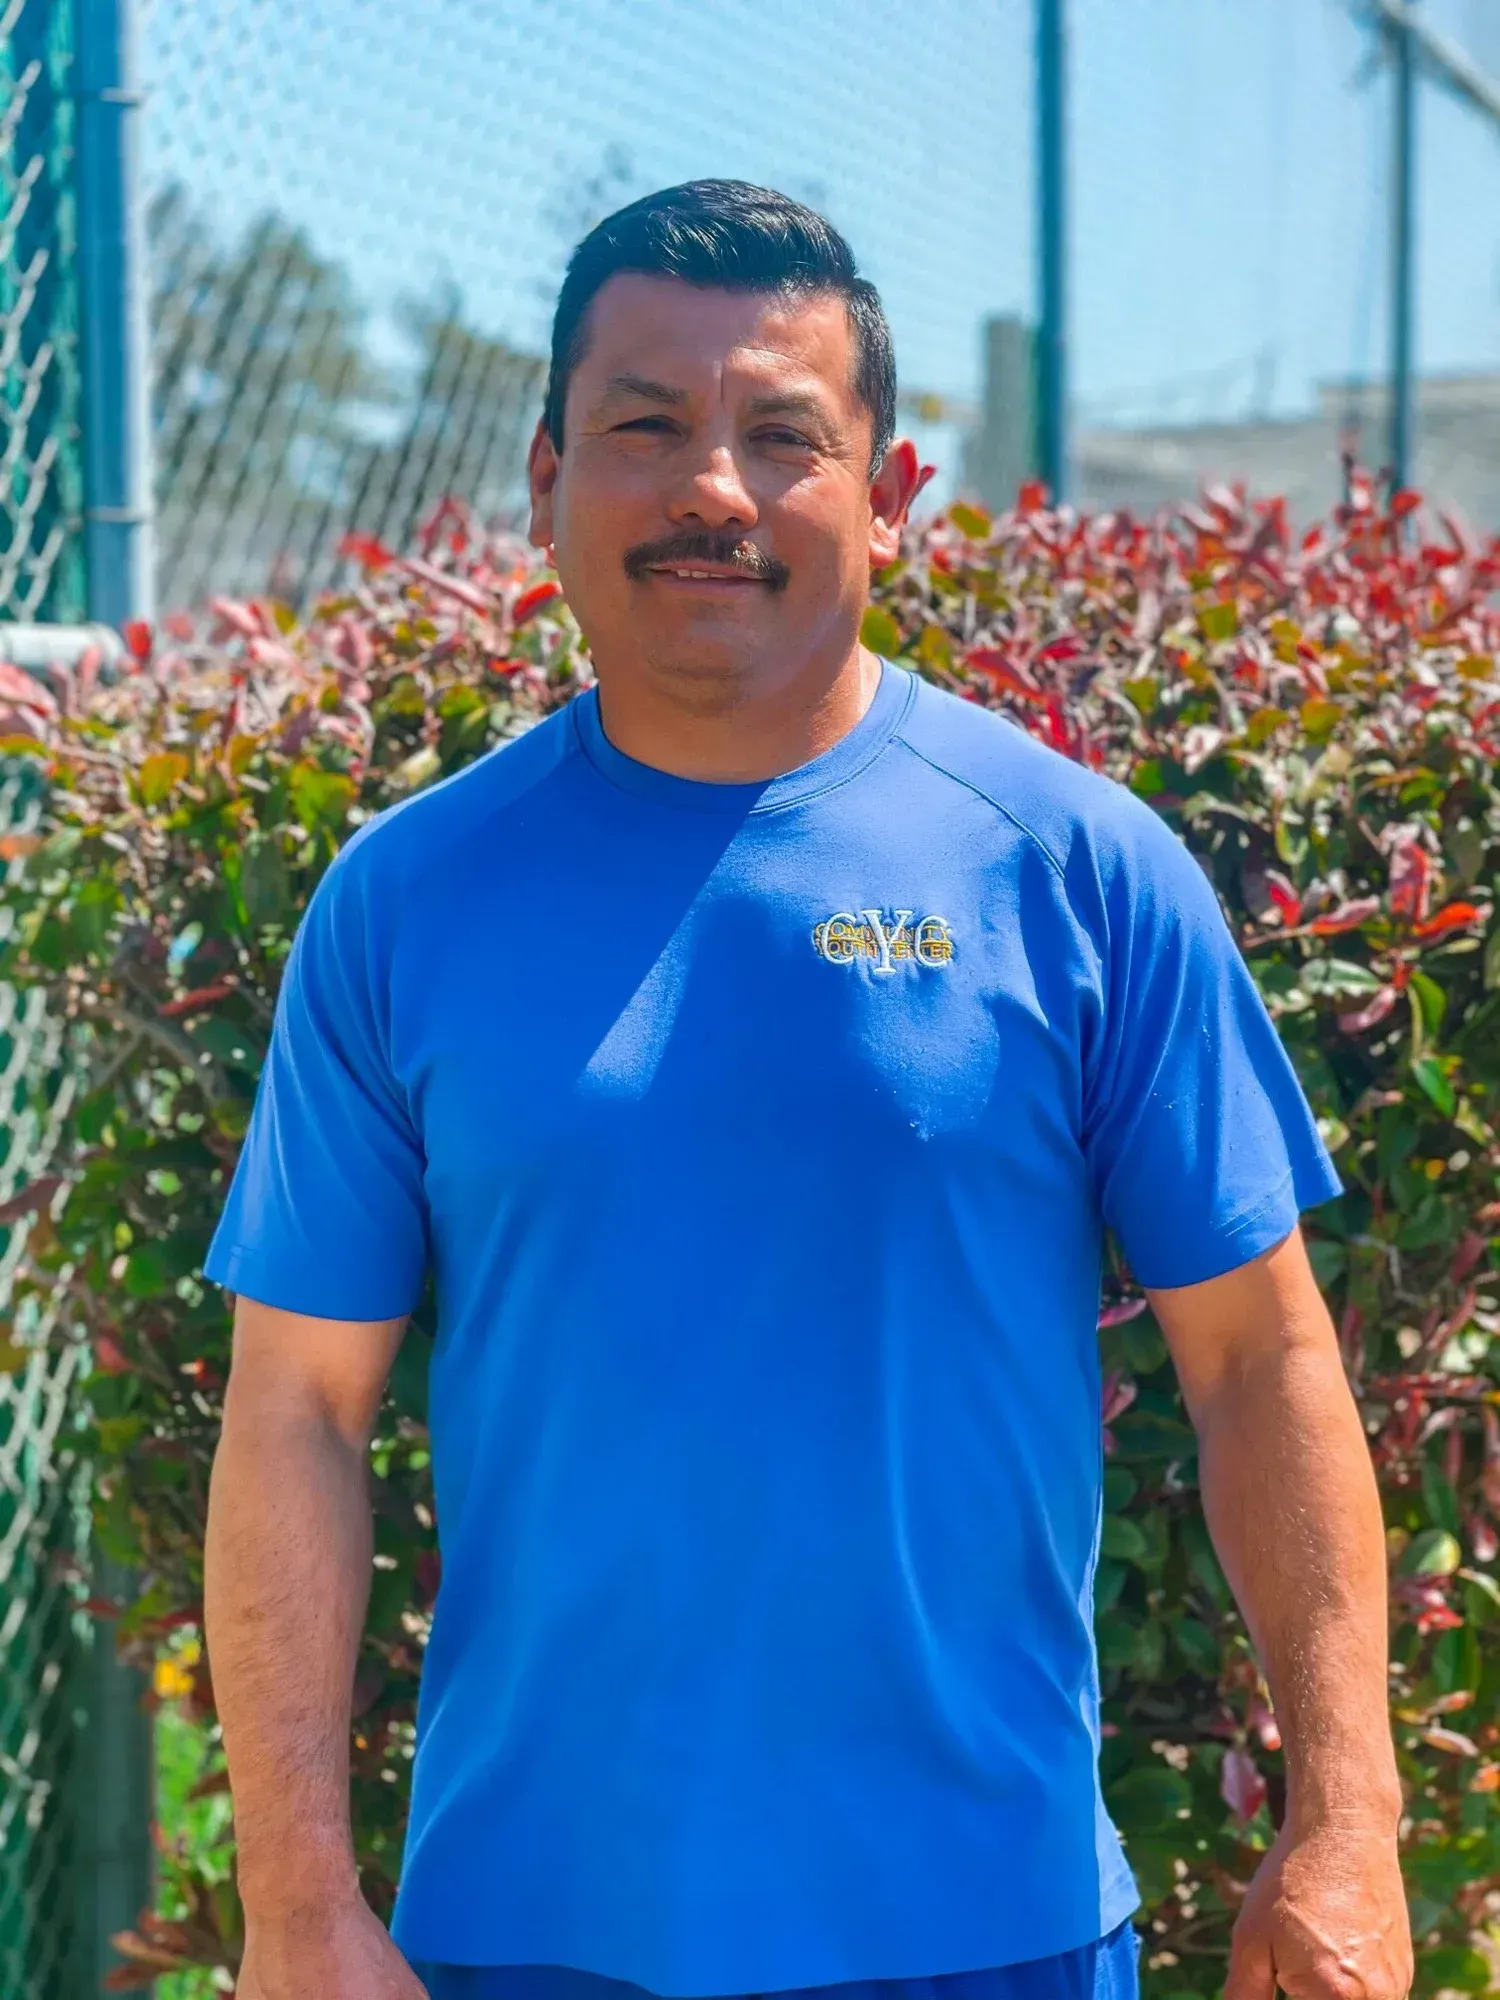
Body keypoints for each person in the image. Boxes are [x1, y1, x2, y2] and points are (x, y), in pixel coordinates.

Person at [203, 181, 1412, 2000]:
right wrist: (297, 1903)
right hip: (527, 1939)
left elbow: (1262, 1359)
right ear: (544, 481)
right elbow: (296, 1407)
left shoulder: (1075, 869)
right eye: (644, 426)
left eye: (784, 435)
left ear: (890, 495)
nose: (714, 487)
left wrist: (1350, 1824)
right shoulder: (404, 902)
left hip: (990, 1934)